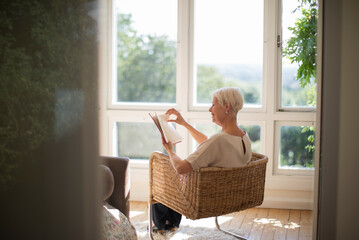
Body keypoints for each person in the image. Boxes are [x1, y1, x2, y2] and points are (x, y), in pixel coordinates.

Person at [151, 87, 252, 233]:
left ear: (227, 107)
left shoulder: (219, 140)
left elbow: (181, 168)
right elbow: (208, 143)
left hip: (206, 200)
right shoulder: (243, 136)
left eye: (213, 104)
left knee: (163, 175)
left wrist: (170, 150)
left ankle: (159, 226)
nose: (210, 109)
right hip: (231, 196)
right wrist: (184, 124)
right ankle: (171, 224)